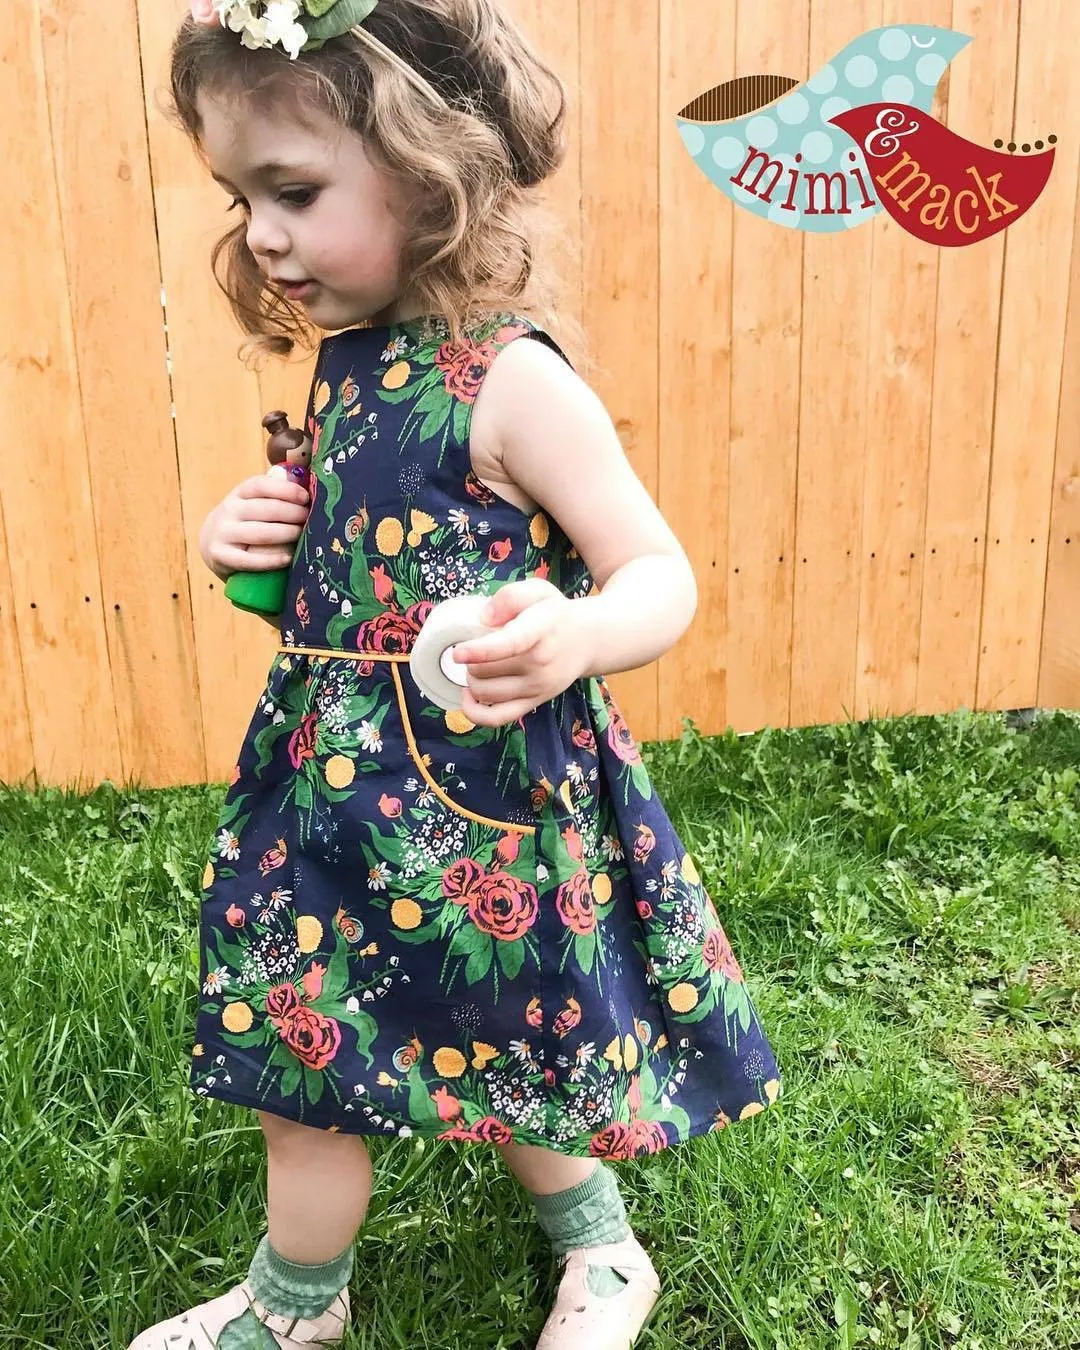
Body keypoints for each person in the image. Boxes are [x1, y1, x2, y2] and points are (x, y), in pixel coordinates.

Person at [131, 3, 782, 1347]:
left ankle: (606, 1254)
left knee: (516, 1033)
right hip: (325, 793)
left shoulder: (513, 383)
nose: (261, 235)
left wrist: (577, 634)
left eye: (294, 192)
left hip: (482, 792)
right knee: (297, 1043)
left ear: (431, 176)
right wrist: (243, 540)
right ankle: (296, 1302)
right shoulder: (346, 369)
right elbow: (353, 576)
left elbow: (658, 574)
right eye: (242, 198)